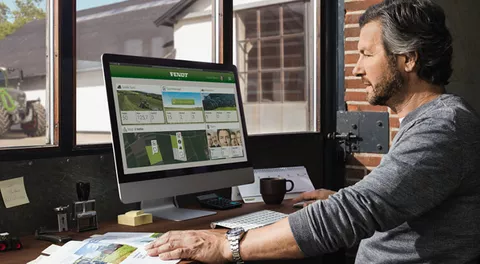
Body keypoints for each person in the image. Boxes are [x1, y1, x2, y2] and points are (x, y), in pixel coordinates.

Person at [145, 1, 480, 263]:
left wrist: (226, 245)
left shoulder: (444, 127)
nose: (357, 68)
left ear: (408, 60)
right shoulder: (431, 122)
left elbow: (354, 213)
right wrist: (336, 199)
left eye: (366, 54)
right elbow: (398, 202)